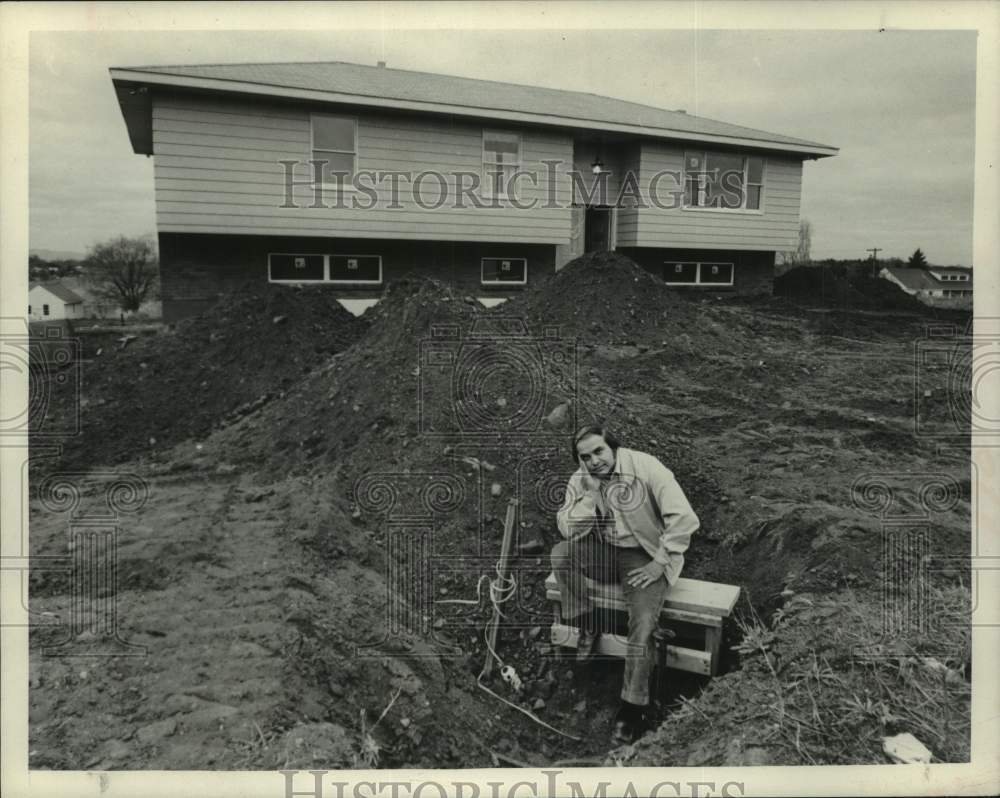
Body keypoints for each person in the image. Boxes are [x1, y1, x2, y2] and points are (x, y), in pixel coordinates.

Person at [551, 424, 699, 744]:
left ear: (613, 447)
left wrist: (660, 561)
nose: (594, 460)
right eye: (585, 456)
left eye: (599, 451)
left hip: (642, 555)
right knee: (562, 555)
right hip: (604, 552)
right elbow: (567, 529)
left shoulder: (646, 467)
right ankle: (589, 622)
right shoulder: (581, 480)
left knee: (643, 623)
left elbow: (684, 517)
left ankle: (632, 709)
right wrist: (590, 496)